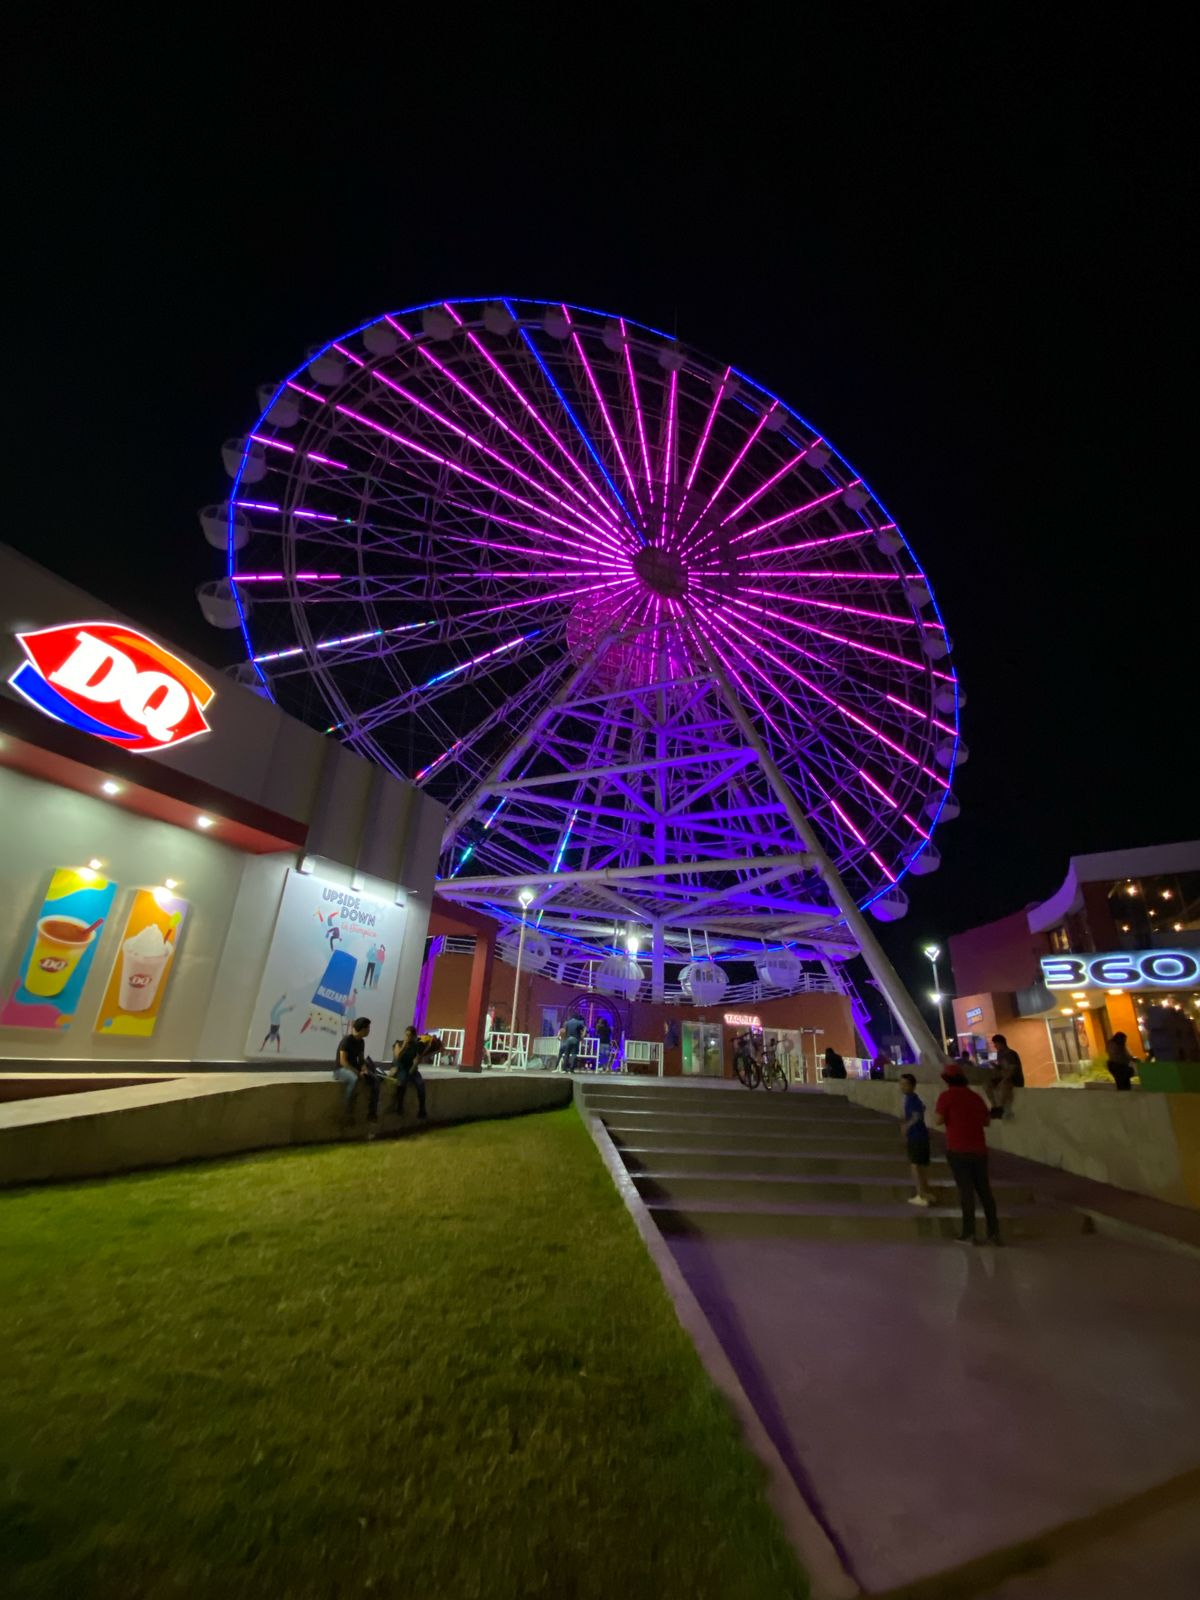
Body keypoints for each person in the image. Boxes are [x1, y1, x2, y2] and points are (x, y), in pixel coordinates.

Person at [934, 1068, 1001, 1245]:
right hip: (978, 1149)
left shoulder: (946, 1097)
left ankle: (968, 1232)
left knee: (966, 1191)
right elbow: (986, 1121)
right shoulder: (975, 1097)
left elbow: (938, 1120)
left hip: (957, 1149)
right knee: (985, 1191)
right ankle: (994, 1232)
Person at [334, 1017, 379, 1123]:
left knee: (375, 1080)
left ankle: (372, 1113)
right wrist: (358, 1073)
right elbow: (343, 1062)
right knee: (353, 1079)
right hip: (341, 1070)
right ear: (362, 1029)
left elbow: (362, 1060)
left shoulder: (361, 1042)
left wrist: (364, 1069)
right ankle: (347, 1112)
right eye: (368, 1028)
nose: (369, 1031)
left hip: (354, 1068)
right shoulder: (347, 1041)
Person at [899, 1073, 935, 1205]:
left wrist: (906, 1127)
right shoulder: (914, 1099)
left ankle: (921, 1194)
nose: (902, 1087)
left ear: (913, 1086)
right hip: (921, 1135)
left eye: (905, 1084)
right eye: (901, 1084)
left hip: (916, 1136)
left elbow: (917, 1115)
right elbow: (922, 1109)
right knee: (921, 1165)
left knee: (915, 1165)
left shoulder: (912, 1099)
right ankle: (925, 1192)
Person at [390, 1026, 433, 1119]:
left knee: (420, 1084)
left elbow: (418, 1058)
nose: (407, 1038)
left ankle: (422, 1109)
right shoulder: (399, 1043)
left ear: (414, 1036)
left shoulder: (416, 1045)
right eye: (406, 1035)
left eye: (410, 1036)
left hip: (411, 1069)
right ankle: (399, 1105)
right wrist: (404, 1047)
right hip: (401, 1068)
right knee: (402, 1081)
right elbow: (397, 1057)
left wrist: (417, 1061)